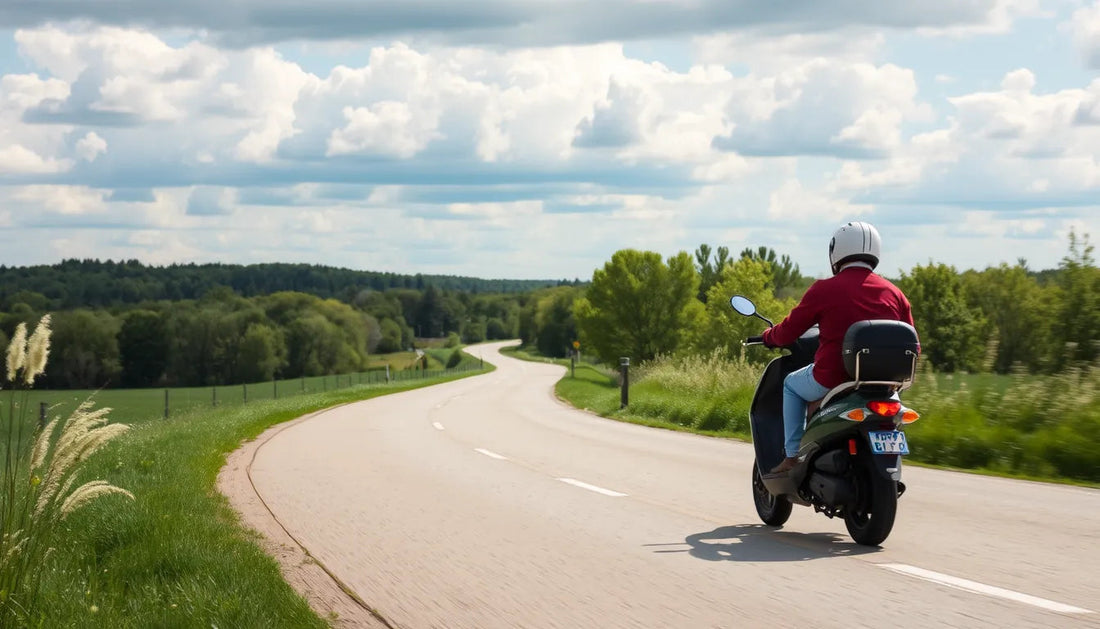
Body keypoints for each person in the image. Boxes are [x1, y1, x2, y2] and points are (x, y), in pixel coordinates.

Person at [761, 221, 916, 474]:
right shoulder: (895, 293)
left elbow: (789, 330)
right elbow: (913, 344)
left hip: (832, 377)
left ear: (837, 251)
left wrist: (769, 336)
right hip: (885, 382)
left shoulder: (824, 289)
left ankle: (791, 456)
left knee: (790, 384)